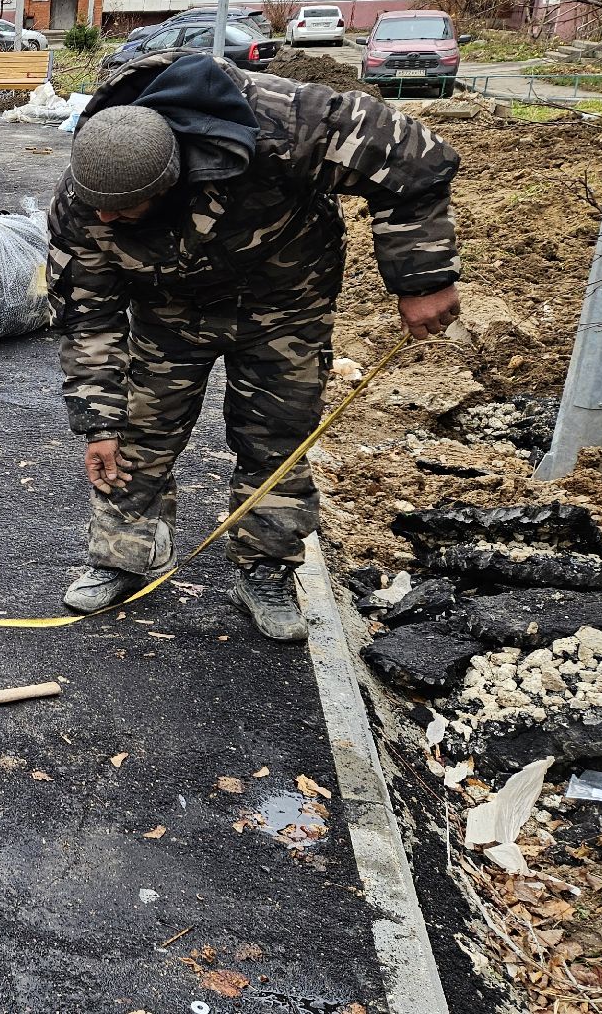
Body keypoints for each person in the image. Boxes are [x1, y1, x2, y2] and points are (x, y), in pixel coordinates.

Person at [46, 49, 462, 641]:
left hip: (286, 295)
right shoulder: (83, 205)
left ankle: (265, 566)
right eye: (98, 208)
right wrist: (98, 422)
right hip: (170, 307)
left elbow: (414, 160)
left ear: (171, 180)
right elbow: (88, 319)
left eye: (124, 210)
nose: (107, 220)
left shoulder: (286, 124)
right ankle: (123, 553)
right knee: (137, 427)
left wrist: (422, 278)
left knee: (277, 434)